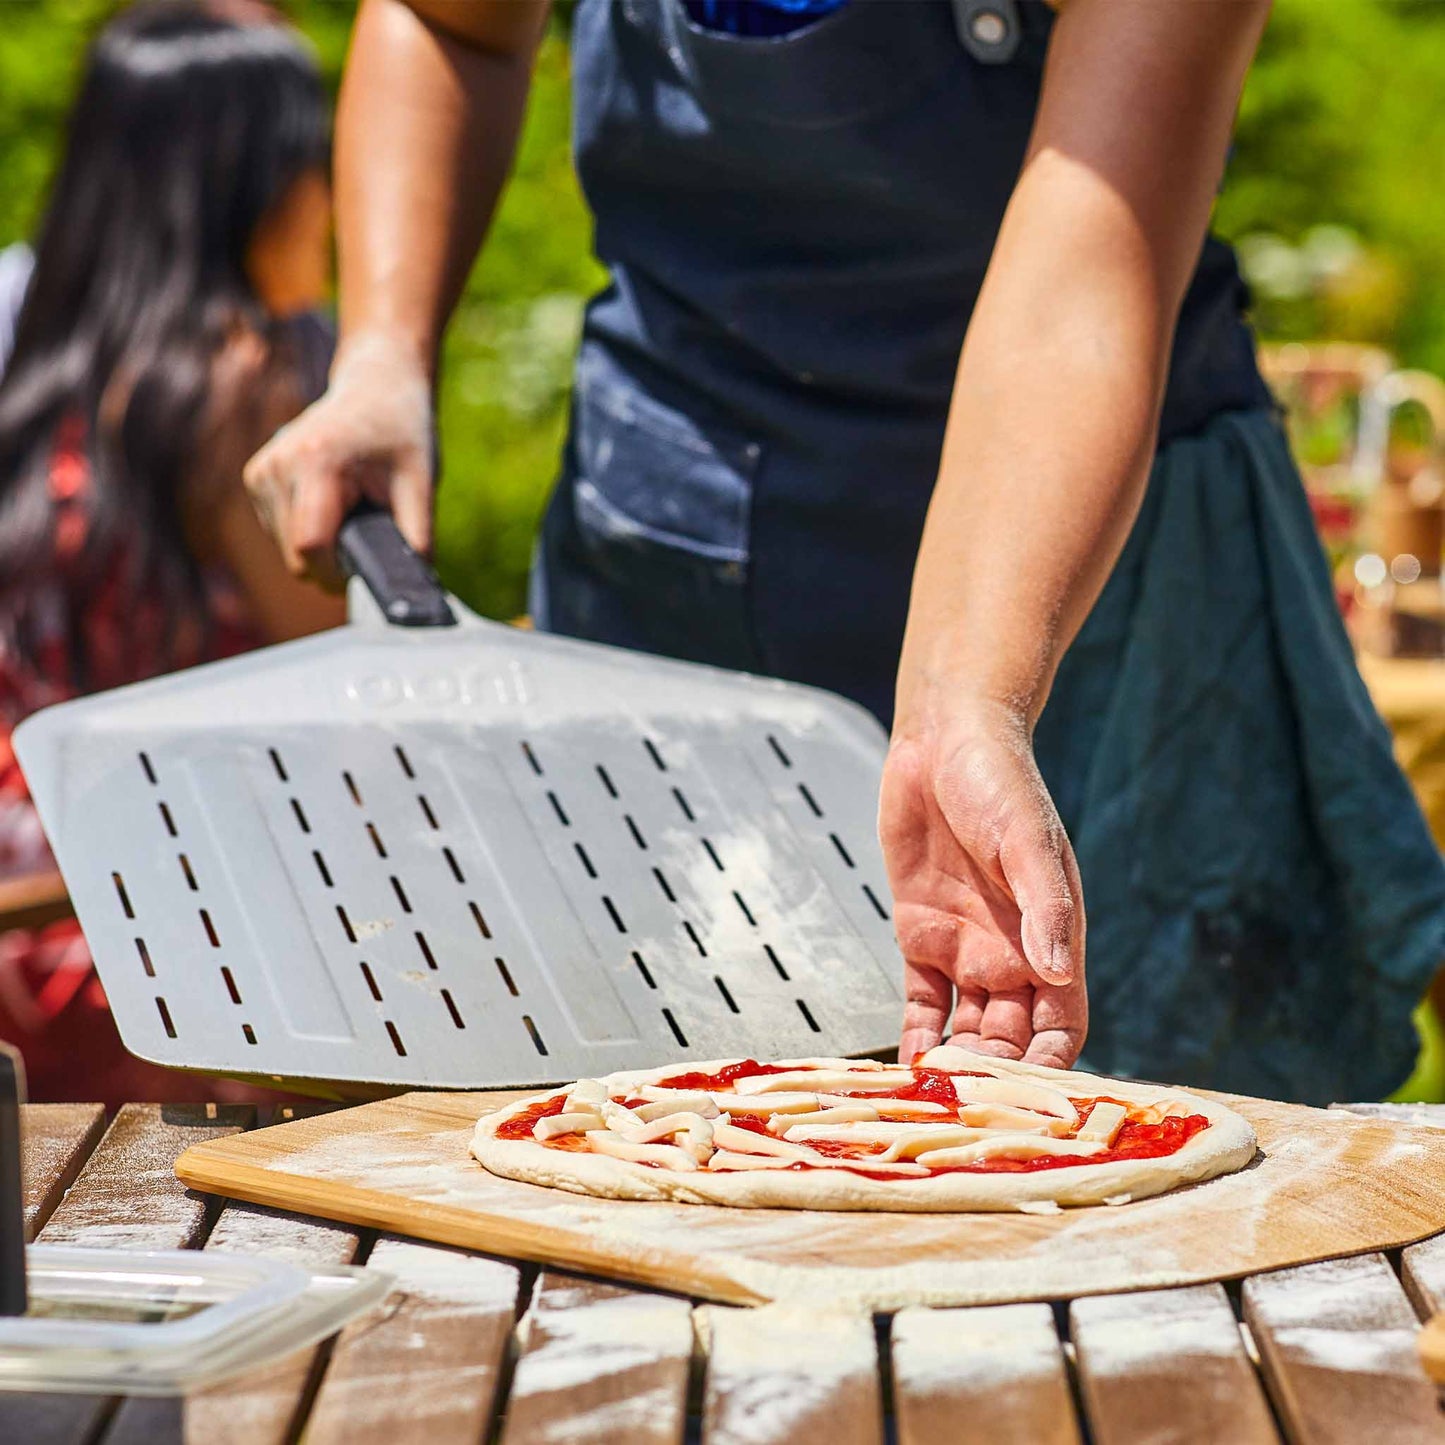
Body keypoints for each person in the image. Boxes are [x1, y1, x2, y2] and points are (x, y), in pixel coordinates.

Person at [245, 0, 1445, 1105]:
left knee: (1149, 1194)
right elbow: (452, 25)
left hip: (1092, 583)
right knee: (635, 1138)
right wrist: (384, 351)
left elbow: (1080, 278)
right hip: (668, 546)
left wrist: (961, 702)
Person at [0, 0, 345, 1105]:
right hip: (174, 950)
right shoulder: (241, 383)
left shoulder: (42, 365)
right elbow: (351, 680)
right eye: (317, 157)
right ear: (250, 182)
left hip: (28, 914)